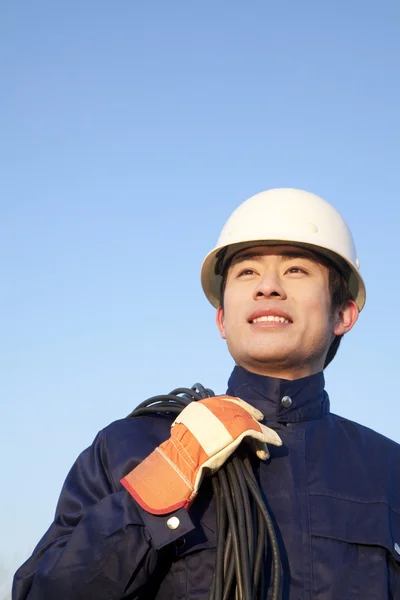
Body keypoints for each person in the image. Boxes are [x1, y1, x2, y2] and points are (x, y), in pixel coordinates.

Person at [13, 188, 400, 599]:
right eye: (247, 272)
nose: (268, 287)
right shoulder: (129, 448)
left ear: (344, 313)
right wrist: (158, 490)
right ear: (221, 318)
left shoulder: (389, 471)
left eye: (296, 271)